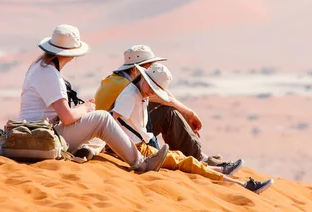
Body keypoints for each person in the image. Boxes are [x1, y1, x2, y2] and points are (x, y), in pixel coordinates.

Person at [17, 24, 169, 173]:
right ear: (72, 54)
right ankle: (141, 164)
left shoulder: (38, 67)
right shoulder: (50, 74)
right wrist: (86, 108)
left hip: (35, 133)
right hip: (42, 137)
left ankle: (86, 150)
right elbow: (67, 118)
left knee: (97, 124)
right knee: (103, 118)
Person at [112, 62, 274, 194]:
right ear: (144, 78)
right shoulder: (130, 95)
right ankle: (242, 185)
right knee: (185, 162)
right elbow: (111, 121)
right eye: (151, 89)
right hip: (136, 150)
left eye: (156, 91)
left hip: (141, 147)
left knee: (182, 160)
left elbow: (167, 100)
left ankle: (223, 170)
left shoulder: (139, 92)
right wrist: (119, 149)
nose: (151, 93)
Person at [95, 45, 223, 166]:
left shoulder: (115, 79)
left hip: (114, 135)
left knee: (160, 110)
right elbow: (166, 100)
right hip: (114, 141)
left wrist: (186, 113)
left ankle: (194, 157)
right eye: (149, 66)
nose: (151, 70)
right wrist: (190, 114)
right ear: (136, 69)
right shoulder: (128, 88)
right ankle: (198, 158)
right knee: (168, 113)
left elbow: (164, 93)